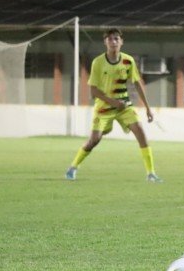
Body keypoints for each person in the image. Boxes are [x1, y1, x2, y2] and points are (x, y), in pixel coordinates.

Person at [65, 28, 162, 183]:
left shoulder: (128, 61)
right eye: (110, 39)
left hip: (124, 107)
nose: (113, 41)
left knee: (141, 133)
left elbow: (137, 83)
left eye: (116, 38)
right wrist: (113, 102)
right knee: (94, 140)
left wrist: (148, 109)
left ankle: (151, 174)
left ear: (121, 42)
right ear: (105, 42)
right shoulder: (98, 62)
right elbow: (94, 91)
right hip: (104, 108)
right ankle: (73, 167)